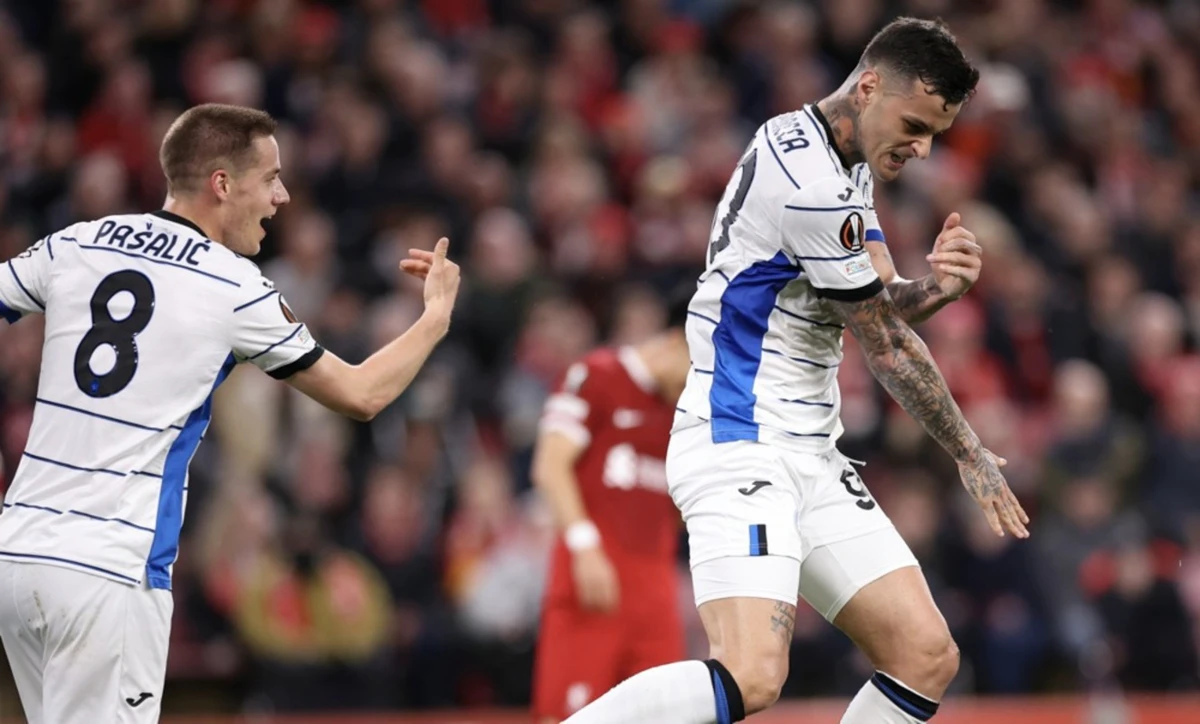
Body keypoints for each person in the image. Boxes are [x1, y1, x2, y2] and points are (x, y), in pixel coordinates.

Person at [563, 17, 1029, 724]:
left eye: (935, 133)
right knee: (752, 675)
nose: (924, 148)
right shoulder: (811, 183)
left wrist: (937, 286)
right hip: (739, 439)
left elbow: (880, 299)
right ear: (869, 87)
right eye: (914, 123)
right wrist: (969, 452)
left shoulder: (836, 151)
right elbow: (886, 346)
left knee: (925, 655)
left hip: (807, 449)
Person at [0, 103, 460, 724]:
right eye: (270, 178)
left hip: (18, 555)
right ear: (223, 184)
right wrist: (433, 319)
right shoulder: (233, 286)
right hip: (108, 571)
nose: (283, 196)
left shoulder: (78, 241)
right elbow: (362, 394)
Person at [530, 283, 694, 723]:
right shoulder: (596, 375)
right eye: (693, 372)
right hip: (593, 582)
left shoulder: (687, 410)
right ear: (677, 341)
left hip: (655, 593)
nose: (691, 388)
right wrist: (585, 545)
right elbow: (550, 465)